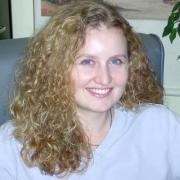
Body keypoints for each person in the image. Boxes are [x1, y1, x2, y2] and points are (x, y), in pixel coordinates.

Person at [0, 0, 180, 179]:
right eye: (87, 62)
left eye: (116, 61)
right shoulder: (13, 146)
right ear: (56, 67)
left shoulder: (161, 126)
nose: (105, 78)